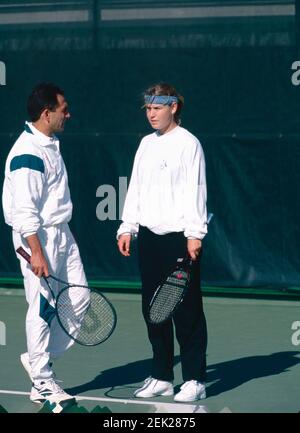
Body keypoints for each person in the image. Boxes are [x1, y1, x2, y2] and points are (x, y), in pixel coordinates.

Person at [117, 83, 208, 402]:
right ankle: (162, 376)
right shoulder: (145, 144)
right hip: (150, 239)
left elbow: (196, 189)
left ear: (174, 108)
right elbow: (136, 187)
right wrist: (127, 226)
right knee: (153, 310)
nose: (151, 114)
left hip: (180, 240)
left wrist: (194, 234)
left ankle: (195, 379)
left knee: (187, 311)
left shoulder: (189, 144)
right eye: (148, 109)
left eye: (157, 108)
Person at [2, 83, 88, 406]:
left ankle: (38, 358)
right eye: (63, 109)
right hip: (37, 237)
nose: (69, 114)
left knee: (78, 299)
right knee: (43, 306)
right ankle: (42, 379)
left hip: (61, 233)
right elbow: (25, 211)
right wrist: (36, 250)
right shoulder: (27, 154)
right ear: (46, 113)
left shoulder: (50, 142)